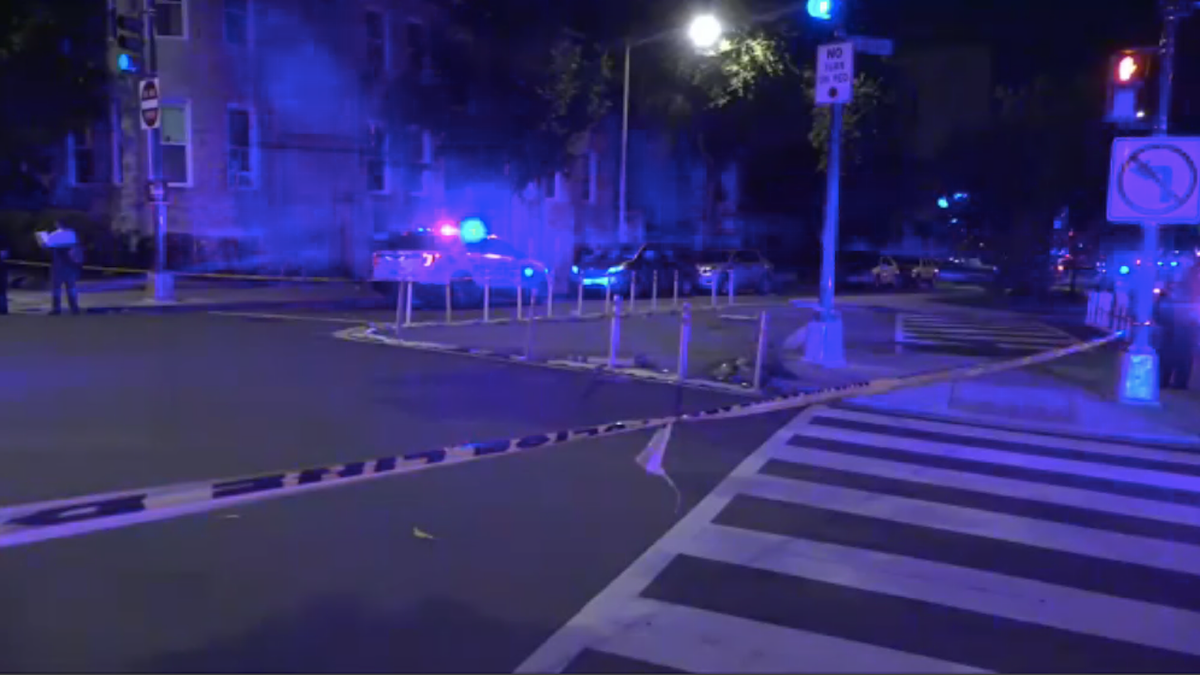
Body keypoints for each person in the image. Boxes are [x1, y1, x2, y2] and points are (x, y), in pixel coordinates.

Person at [1155, 282, 1195, 390]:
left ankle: (1170, 381)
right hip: (1177, 332)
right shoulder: (1183, 300)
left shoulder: (1169, 301)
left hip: (1177, 332)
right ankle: (1172, 382)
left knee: (1174, 358)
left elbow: (1158, 314)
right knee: (1176, 359)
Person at [36, 222, 82, 315]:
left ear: (58, 224)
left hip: (59, 265)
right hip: (70, 265)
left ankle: (57, 308)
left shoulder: (55, 234)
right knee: (71, 287)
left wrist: (44, 243)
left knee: (57, 287)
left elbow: (47, 246)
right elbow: (75, 247)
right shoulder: (72, 234)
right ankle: (74, 307)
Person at [0, 227, 10, 315]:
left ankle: (3, 309)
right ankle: (3, 308)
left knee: (2, 289)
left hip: (2, 268)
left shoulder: (2, 239)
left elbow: (5, 253)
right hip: (3, 267)